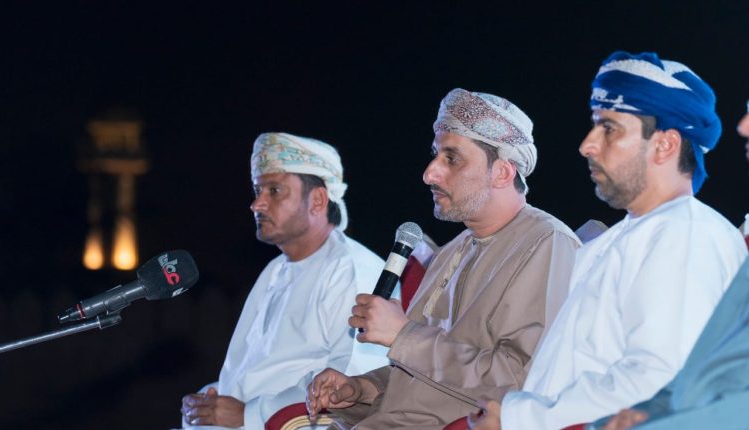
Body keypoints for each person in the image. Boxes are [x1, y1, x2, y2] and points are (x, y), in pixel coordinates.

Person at [469, 51, 748, 430]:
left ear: (665, 145)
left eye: (609, 128)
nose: (587, 144)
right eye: (594, 126)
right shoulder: (622, 239)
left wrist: (518, 418)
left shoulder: (686, 235)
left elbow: (659, 383)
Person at [306, 88, 581, 429]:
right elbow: (425, 379)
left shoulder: (547, 244)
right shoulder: (454, 249)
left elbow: (524, 381)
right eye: (436, 155)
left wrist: (404, 335)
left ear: (502, 173)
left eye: (452, 159)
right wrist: (362, 389)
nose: (429, 173)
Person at [180, 132, 391, 429]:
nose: (257, 204)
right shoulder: (276, 269)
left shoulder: (352, 270)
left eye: (275, 191)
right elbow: (256, 375)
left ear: (317, 200)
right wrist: (209, 401)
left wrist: (248, 415)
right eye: (257, 190)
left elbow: (354, 383)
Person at [593, 105, 749, 430]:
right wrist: (651, 412)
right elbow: (707, 372)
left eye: (610, 129)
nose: (743, 126)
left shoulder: (696, 234)